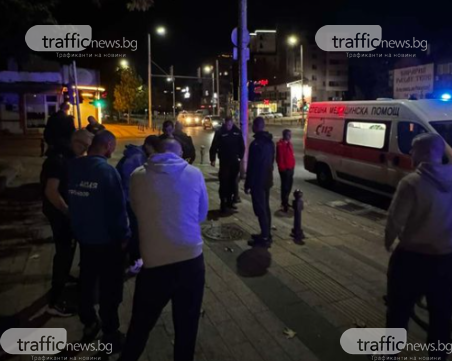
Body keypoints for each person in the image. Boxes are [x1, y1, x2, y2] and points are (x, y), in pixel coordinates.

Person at [120, 139, 208, 361]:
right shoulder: (195, 174)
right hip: (191, 259)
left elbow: (137, 209)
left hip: (155, 265)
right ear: (179, 155)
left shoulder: (138, 176)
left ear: (156, 152)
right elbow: (201, 215)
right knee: (187, 326)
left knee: (140, 325)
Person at [385, 133, 452, 361]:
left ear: (423, 153)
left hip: (412, 259)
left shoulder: (411, 183)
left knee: (399, 312)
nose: (410, 153)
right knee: (441, 316)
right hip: (446, 260)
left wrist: (389, 243)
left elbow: (395, 221)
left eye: (413, 149)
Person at [67, 130, 130, 350]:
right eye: (112, 147)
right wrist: (124, 237)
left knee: (87, 282)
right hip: (107, 242)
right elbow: (118, 210)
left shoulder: (74, 167)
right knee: (110, 289)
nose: (113, 151)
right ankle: (110, 333)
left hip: (85, 239)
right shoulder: (107, 172)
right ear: (108, 146)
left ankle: (89, 321)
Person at [40, 129, 94, 317]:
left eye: (87, 148)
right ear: (74, 141)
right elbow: (51, 191)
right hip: (59, 214)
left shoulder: (67, 156)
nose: (84, 150)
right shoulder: (58, 160)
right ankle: (54, 301)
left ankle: (63, 277)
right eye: (83, 146)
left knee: (66, 252)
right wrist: (68, 212)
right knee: (64, 253)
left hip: (61, 212)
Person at [116, 135, 160, 274]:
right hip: (130, 199)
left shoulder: (140, 156)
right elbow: (130, 183)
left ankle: (131, 256)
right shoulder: (136, 158)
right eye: (154, 150)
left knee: (136, 228)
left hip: (132, 199)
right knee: (135, 229)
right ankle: (134, 260)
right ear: (147, 146)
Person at [245, 117, 275, 248]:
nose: (251, 127)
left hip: (258, 181)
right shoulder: (270, 142)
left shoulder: (255, 144)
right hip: (267, 179)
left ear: (257, 126)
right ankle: (266, 233)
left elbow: (252, 166)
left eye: (253, 125)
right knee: (266, 207)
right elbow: (271, 161)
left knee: (260, 209)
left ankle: (264, 237)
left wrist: (247, 184)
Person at [209, 117, 245, 213]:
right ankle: (223, 204)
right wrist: (212, 159)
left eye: (230, 124)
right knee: (224, 183)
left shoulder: (237, 132)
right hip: (224, 162)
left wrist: (240, 157)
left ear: (232, 123)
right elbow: (214, 146)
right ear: (225, 124)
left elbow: (242, 146)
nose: (229, 126)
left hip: (234, 162)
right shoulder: (220, 132)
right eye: (227, 124)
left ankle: (230, 202)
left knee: (233, 183)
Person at [276, 129, 296, 212]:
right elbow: (279, 158)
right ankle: (284, 203)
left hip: (290, 168)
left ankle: (286, 201)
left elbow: (291, 155)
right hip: (285, 169)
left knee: (289, 186)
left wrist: (292, 165)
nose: (290, 136)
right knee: (285, 187)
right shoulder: (280, 145)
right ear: (284, 135)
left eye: (290, 135)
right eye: (288, 135)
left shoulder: (289, 144)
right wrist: (283, 168)